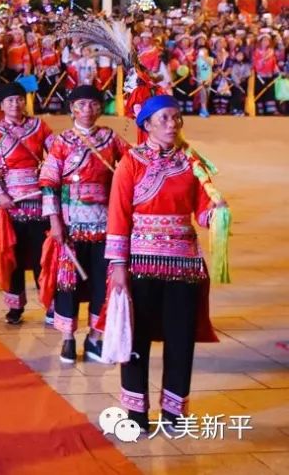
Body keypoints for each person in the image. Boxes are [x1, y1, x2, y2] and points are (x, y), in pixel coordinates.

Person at [106, 95, 227, 433]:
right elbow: (118, 214)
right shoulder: (130, 163)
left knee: (180, 337)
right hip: (140, 262)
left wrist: (217, 213)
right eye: (164, 119)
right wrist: (117, 265)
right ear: (146, 125)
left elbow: (202, 209)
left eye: (176, 118)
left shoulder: (192, 162)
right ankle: (136, 412)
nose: (172, 124)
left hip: (183, 263)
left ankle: (174, 411)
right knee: (137, 338)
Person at [39, 85, 129, 363]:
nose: (87, 110)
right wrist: (54, 221)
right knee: (68, 283)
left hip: (105, 224)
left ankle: (94, 337)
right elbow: (49, 183)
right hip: (70, 223)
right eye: (81, 105)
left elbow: (130, 171)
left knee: (102, 283)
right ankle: (68, 338)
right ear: (72, 109)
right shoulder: (61, 141)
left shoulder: (111, 138)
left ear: (101, 108)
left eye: (92, 104)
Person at [0, 82, 53, 323]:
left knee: (43, 256)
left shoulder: (40, 127)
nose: (15, 104)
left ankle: (50, 303)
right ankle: (15, 306)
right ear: (2, 106)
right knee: (14, 257)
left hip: (39, 201)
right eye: (10, 101)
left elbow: (56, 155)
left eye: (19, 99)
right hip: (11, 204)